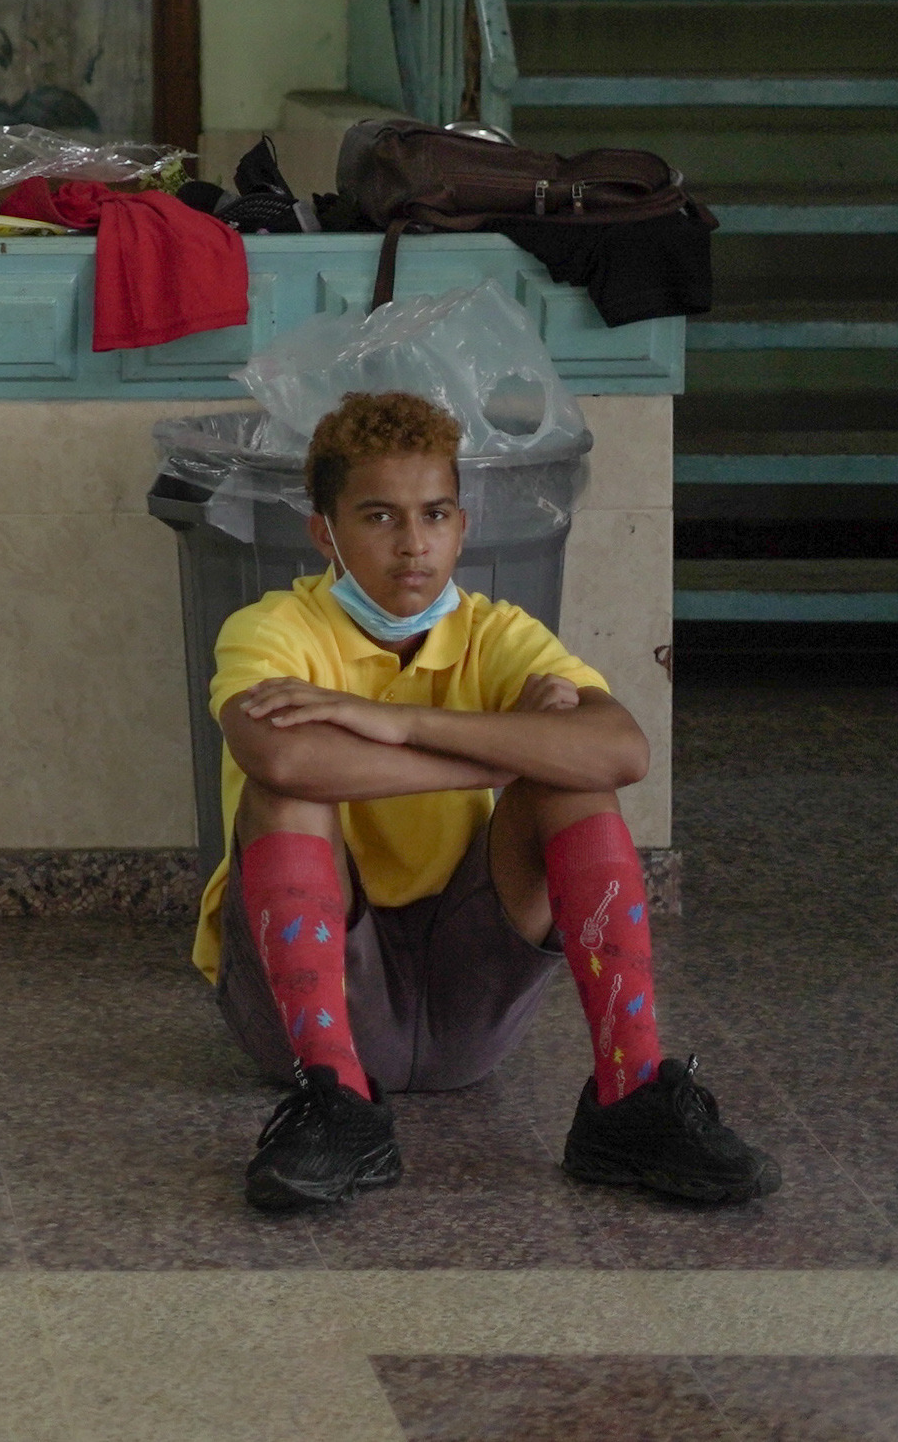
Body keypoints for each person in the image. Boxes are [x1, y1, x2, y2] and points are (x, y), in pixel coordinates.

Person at [197, 390, 781, 1213]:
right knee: (284, 790)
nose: (413, 544)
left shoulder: (498, 632)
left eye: (434, 514)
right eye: (378, 517)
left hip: (465, 999)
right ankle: (334, 1100)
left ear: (462, 527)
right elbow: (283, 753)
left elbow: (621, 751)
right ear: (323, 532)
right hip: (302, 1017)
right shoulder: (272, 629)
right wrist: (496, 751)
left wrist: (397, 725)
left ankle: (630, 1095)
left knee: (573, 778)